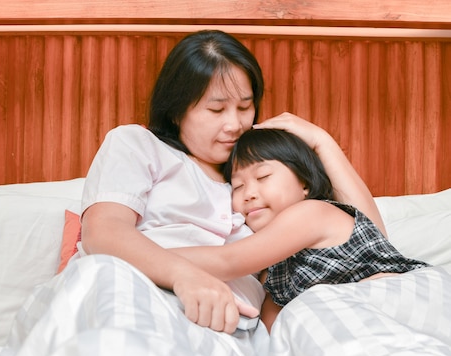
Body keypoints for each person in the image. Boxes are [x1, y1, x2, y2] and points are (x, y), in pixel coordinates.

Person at [78, 29, 384, 335]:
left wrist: (322, 143)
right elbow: (102, 232)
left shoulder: (261, 181)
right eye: (216, 109)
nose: (234, 124)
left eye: (244, 107)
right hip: (140, 297)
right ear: (176, 111)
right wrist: (182, 275)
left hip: (233, 330)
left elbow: (370, 244)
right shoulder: (138, 143)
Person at [170, 128, 431, 331]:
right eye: (237, 187)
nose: (249, 194)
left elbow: (228, 261)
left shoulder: (312, 213)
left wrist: (144, 254)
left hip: (402, 304)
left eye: (263, 177)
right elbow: (276, 330)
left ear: (304, 183)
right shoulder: (273, 271)